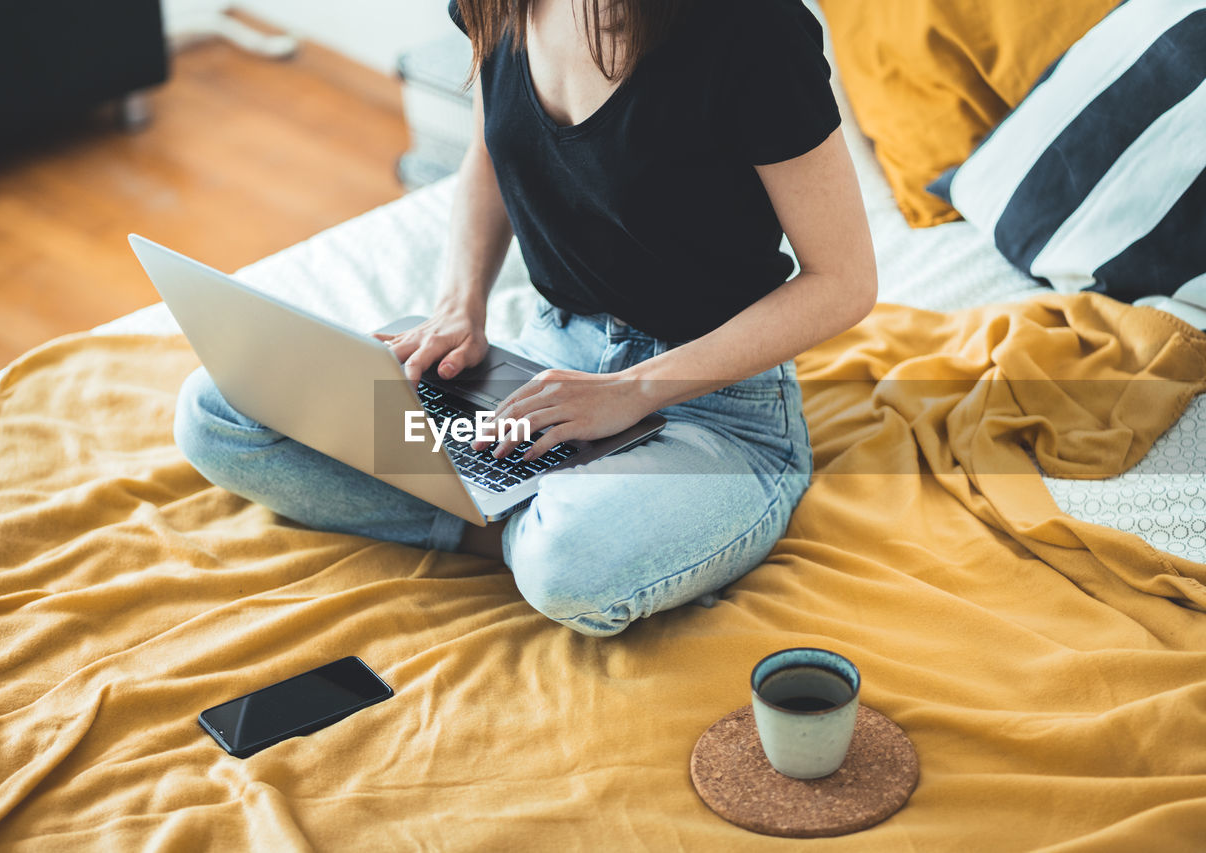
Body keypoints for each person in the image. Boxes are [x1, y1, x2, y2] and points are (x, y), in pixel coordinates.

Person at [175, 0, 877, 637]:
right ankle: (501, 508)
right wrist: (459, 305)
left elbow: (843, 282)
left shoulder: (753, 29)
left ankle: (503, 511)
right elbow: (491, 143)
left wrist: (630, 393)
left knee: (569, 565)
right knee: (220, 410)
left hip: (715, 407)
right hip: (544, 363)